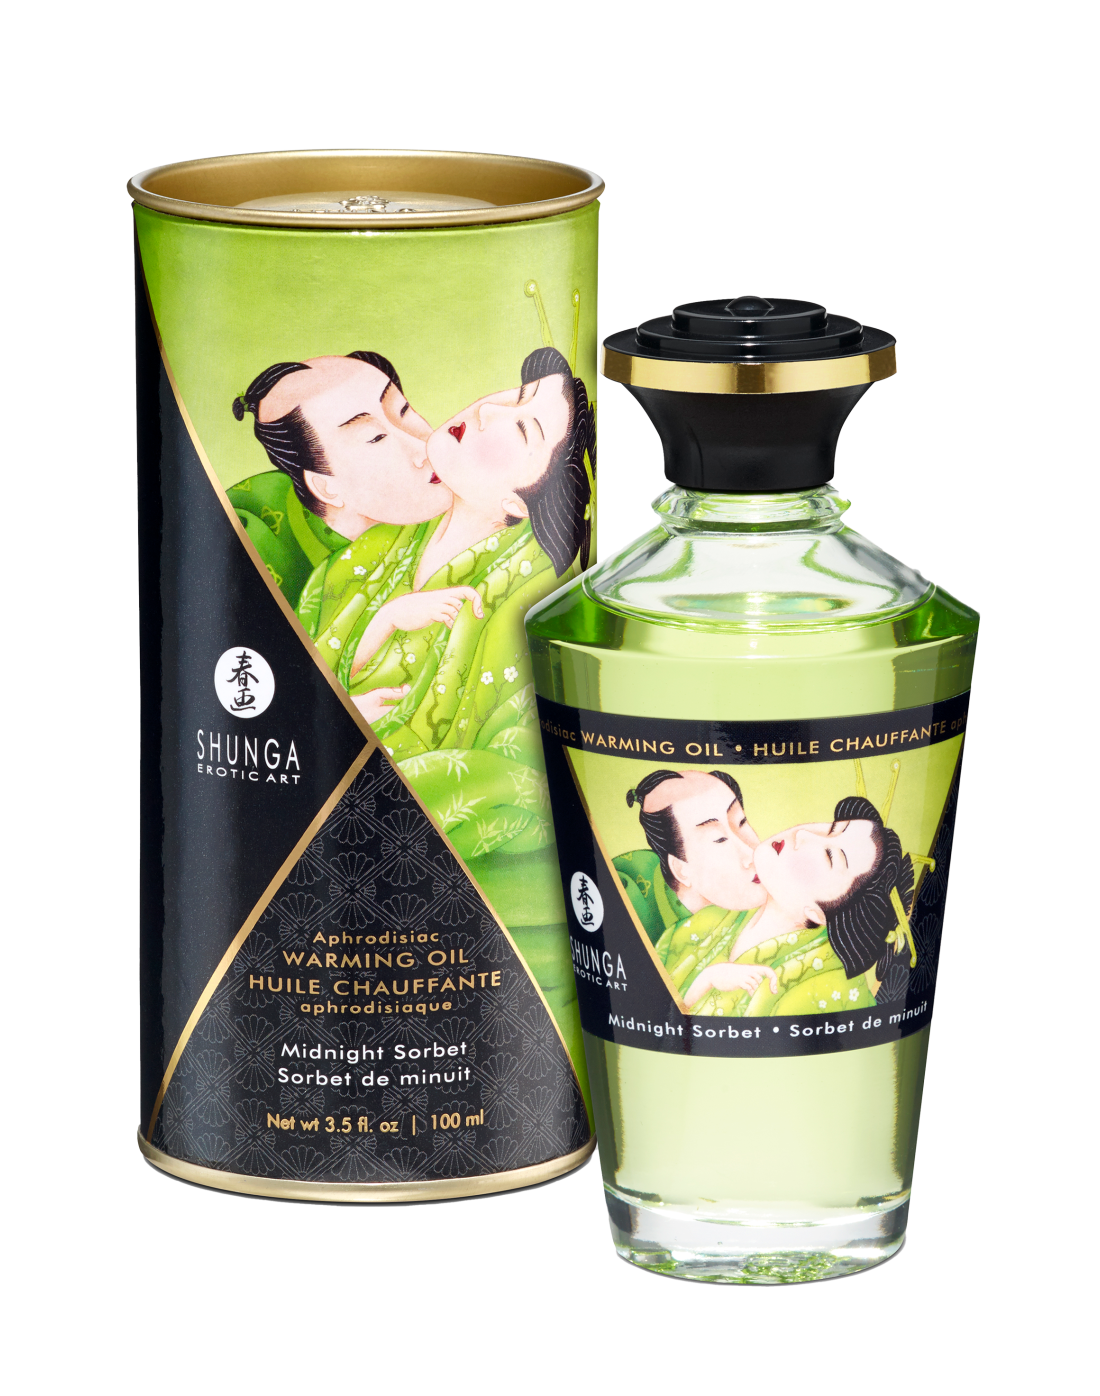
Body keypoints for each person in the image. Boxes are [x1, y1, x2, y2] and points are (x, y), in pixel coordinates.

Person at [299, 346, 595, 864]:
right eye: (516, 395)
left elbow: (520, 771)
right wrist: (384, 623)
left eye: (521, 429)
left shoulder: (530, 601)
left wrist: (354, 744)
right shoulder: (378, 547)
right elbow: (298, 672)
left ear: (517, 502)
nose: (487, 410)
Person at [227, 352, 449, 608]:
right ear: (326, 487)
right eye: (375, 437)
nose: (423, 448)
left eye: (403, 411)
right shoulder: (255, 544)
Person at [668, 796, 914, 1017]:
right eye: (831, 828)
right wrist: (708, 978)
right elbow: (659, 1016)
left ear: (819, 914)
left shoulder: (824, 988)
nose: (803, 834)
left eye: (830, 856)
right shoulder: (714, 918)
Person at [614, 769, 766, 945]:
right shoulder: (629, 900)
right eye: (719, 839)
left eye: (741, 822)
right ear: (681, 869)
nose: (751, 854)